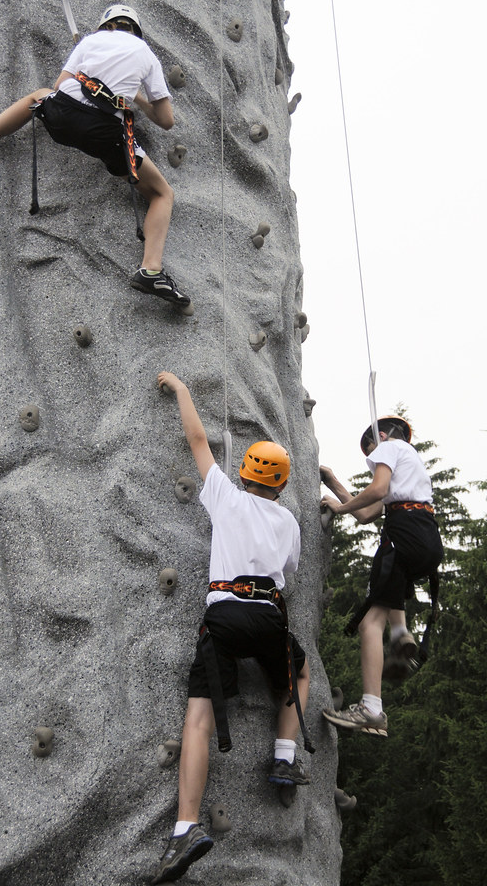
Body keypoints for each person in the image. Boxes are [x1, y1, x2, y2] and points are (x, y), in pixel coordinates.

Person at [152, 371, 312, 884]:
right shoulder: (288, 522)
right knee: (298, 673)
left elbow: (198, 440)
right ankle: (283, 756)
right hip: (267, 614)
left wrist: (182, 390)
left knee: (199, 718)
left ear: (243, 474)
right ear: (281, 485)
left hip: (223, 614)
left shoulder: (225, 495)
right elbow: (289, 574)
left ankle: (186, 826)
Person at [0, 4, 190, 309]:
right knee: (162, 194)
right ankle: (151, 269)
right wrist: (137, 97)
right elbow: (166, 120)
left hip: (62, 117)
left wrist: (86, 75)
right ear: (135, 31)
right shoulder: (146, 54)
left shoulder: (90, 41)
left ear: (106, 26)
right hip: (106, 135)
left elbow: (60, 86)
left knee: (38, 95)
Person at [319, 416, 443, 737]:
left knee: (369, 623)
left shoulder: (389, 447)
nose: (374, 461)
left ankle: (372, 708)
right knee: (391, 586)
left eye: (371, 452)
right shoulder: (412, 463)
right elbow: (367, 513)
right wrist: (333, 483)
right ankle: (401, 634)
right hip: (426, 538)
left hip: (402, 534)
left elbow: (378, 489)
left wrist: (338, 509)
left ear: (382, 437)